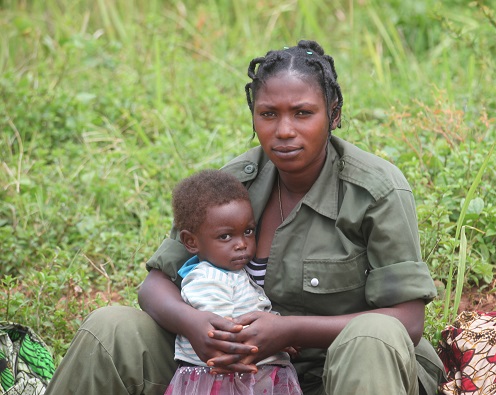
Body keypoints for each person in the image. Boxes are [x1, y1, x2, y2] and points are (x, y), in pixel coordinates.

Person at [46, 39, 444, 395]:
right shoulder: (232, 186)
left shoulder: (376, 190)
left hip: (343, 374)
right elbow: (154, 285)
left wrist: (289, 331)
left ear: (334, 114)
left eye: (303, 113)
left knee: (373, 335)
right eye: (269, 114)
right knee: (110, 328)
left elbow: (407, 321)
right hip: (226, 374)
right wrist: (194, 325)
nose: (284, 130)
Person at [165, 169, 301, 395]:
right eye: (225, 236)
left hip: (245, 376)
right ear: (191, 241)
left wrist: (280, 335)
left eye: (248, 231)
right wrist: (275, 341)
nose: (242, 244)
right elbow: (224, 333)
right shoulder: (207, 279)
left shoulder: (234, 273)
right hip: (223, 381)